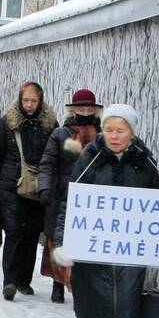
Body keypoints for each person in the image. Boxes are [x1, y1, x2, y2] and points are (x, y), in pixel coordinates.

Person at [52, 104, 159, 318]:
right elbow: (71, 202)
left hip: (128, 249)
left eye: (121, 131)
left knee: (127, 301)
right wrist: (64, 241)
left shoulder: (145, 164)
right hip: (93, 245)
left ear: (132, 134)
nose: (114, 136)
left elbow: (158, 209)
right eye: (109, 130)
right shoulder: (90, 158)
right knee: (90, 293)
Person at [0, 80, 58, 301]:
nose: (29, 104)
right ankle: (9, 281)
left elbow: (55, 157)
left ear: (40, 100)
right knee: (14, 232)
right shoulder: (8, 122)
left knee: (31, 234)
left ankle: (24, 281)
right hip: (10, 185)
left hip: (37, 187)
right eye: (25, 100)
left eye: (33, 100)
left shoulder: (50, 125)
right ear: (20, 99)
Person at [37, 88, 102, 304]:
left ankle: (81, 287)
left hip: (92, 199)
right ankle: (57, 285)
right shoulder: (60, 134)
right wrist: (44, 188)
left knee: (84, 243)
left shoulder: (102, 136)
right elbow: (47, 163)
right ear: (73, 110)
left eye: (89, 108)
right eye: (81, 108)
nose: (85, 111)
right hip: (61, 195)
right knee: (58, 241)